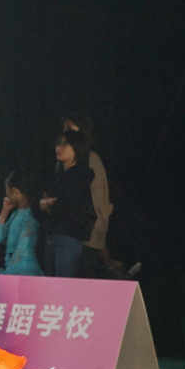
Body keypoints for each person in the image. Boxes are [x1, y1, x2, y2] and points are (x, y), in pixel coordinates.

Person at [61, 113, 115, 273]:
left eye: (70, 129)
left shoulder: (91, 160)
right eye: (65, 129)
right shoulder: (64, 160)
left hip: (85, 239)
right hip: (65, 236)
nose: (66, 133)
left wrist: (98, 242)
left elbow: (100, 204)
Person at [39, 130, 96, 277]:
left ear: (77, 148)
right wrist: (44, 204)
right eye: (58, 144)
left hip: (68, 236)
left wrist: (49, 205)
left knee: (62, 285)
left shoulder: (81, 175)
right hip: (51, 235)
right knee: (50, 285)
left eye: (65, 144)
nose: (59, 148)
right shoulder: (57, 175)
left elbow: (69, 205)